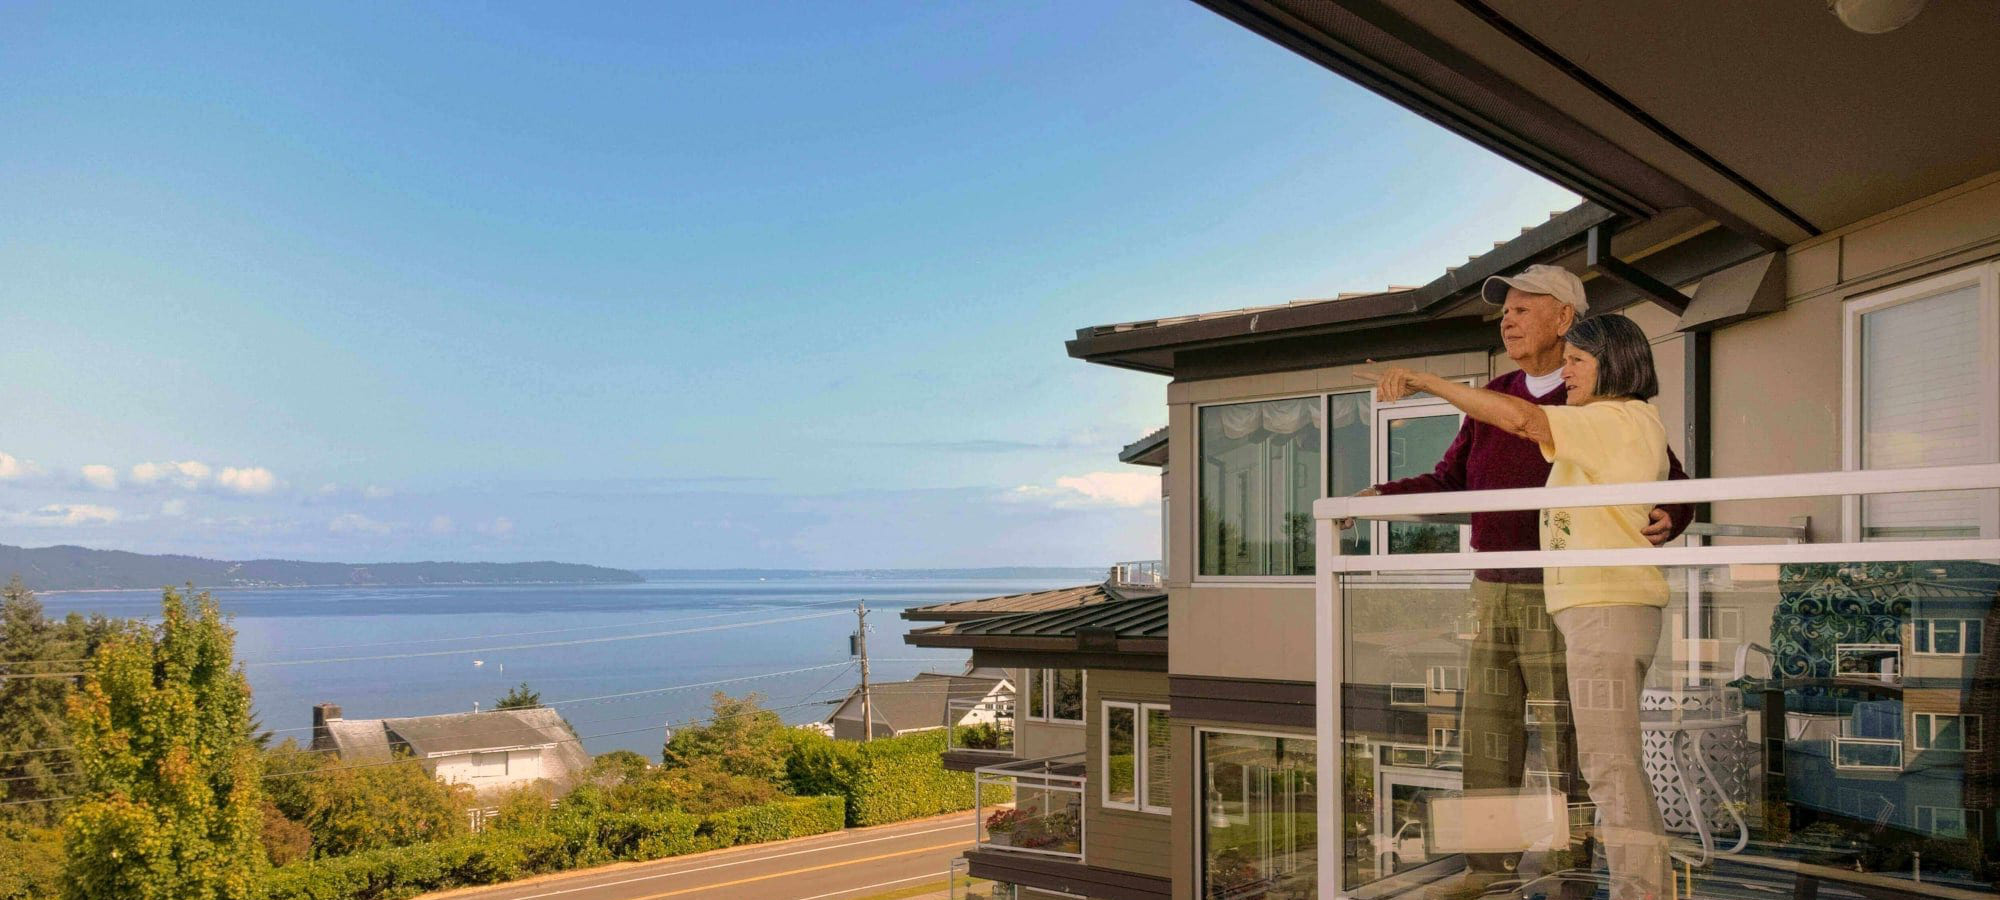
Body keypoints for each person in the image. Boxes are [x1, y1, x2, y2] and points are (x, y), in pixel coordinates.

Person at [1357, 265, 1690, 900]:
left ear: (1566, 320)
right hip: (1493, 585)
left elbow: (1669, 479)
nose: (1506, 320)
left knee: (1574, 743)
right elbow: (1451, 481)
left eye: (1521, 308)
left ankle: (1578, 872)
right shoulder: (1498, 393)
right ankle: (1487, 870)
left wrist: (1670, 516)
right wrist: (1381, 496)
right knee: (1488, 734)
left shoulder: (1594, 403)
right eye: (1503, 311)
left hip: (1570, 590)